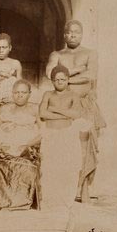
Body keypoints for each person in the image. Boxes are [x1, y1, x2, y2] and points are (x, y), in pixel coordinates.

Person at [45, 19, 104, 200]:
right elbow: (50, 73)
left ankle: (83, 187)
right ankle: (64, 187)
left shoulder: (90, 53)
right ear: (64, 35)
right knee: (63, 145)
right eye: (70, 32)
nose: (73, 35)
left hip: (84, 105)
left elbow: (91, 74)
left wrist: (64, 76)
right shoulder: (57, 54)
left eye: (76, 32)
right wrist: (78, 70)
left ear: (82, 34)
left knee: (85, 145)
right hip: (63, 106)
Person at [39, 65, 97, 208]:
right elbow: (42, 113)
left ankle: (65, 199)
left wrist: (54, 109)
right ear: (52, 81)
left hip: (67, 135)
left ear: (68, 80)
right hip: (51, 134)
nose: (60, 82)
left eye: (63, 79)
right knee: (49, 167)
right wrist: (65, 112)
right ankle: (50, 199)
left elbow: (76, 114)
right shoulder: (48, 94)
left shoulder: (73, 96)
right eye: (56, 79)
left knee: (66, 167)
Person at [0, 80, 42, 210]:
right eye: (16, 92)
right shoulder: (5, 108)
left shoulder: (35, 109)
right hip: (6, 146)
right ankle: (1, 200)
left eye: (23, 92)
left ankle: (21, 201)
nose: (20, 95)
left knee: (26, 166)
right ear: (12, 93)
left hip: (27, 146)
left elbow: (43, 132)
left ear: (29, 94)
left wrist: (27, 146)